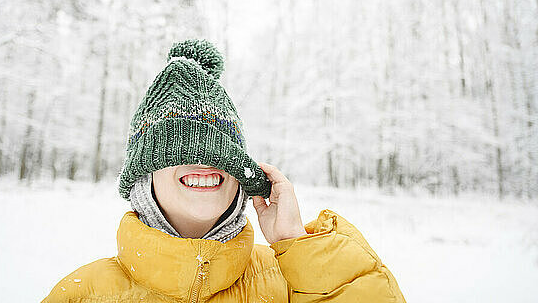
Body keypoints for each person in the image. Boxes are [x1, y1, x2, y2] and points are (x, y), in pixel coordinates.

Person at [42, 39, 406, 302]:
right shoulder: (83, 294)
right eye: (179, 149)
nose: (205, 162)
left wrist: (295, 242)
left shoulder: (291, 282)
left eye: (222, 152)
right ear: (144, 173)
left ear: (243, 177)